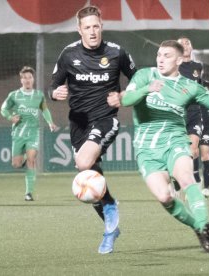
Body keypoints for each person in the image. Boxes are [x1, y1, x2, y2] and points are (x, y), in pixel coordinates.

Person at [107, 40, 209, 252]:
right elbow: (127, 99)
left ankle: (205, 225)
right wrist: (147, 89)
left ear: (179, 59)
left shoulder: (190, 87)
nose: (160, 59)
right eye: (159, 55)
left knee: (186, 178)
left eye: (166, 55)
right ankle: (197, 226)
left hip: (175, 141)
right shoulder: (144, 76)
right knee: (164, 197)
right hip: (146, 148)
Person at [50, 6, 137, 254]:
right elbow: (53, 86)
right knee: (88, 174)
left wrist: (123, 96)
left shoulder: (116, 53)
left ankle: (109, 207)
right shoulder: (68, 54)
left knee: (83, 163)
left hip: (105, 119)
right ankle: (110, 227)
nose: (92, 31)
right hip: (78, 123)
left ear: (102, 26)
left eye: (96, 26)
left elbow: (138, 80)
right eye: (87, 27)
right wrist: (55, 93)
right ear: (79, 30)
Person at [1, 66, 57, 201]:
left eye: (29, 77)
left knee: (32, 158)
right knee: (16, 164)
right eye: (24, 78)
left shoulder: (39, 95)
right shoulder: (14, 95)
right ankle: (24, 158)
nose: (27, 80)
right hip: (18, 133)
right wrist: (10, 117)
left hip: (33, 132)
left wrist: (50, 122)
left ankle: (29, 193)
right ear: (21, 80)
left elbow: (44, 110)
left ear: (33, 79)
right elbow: (4, 109)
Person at [177, 36, 209, 198]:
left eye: (188, 43)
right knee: (179, 152)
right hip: (178, 113)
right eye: (182, 43)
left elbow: (200, 86)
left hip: (194, 112)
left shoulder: (198, 66)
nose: (185, 45)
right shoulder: (174, 66)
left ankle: (194, 184)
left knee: (193, 150)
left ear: (191, 48)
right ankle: (177, 184)